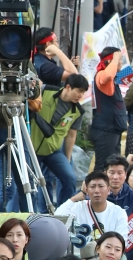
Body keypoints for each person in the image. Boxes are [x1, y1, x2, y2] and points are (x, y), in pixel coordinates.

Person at [31, 73, 87, 211]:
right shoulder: (46, 91)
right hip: (31, 149)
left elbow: (71, 136)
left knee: (69, 178)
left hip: (53, 151)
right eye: (78, 91)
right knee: (33, 183)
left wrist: (67, 160)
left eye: (83, 92)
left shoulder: (78, 111)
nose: (80, 96)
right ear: (68, 87)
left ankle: (63, 211)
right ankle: (34, 212)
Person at [55, 171, 130, 244]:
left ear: (108, 190)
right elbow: (57, 217)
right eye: (92, 187)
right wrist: (76, 197)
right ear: (87, 190)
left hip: (107, 255)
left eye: (101, 186)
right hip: (81, 255)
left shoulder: (118, 212)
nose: (97, 191)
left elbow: (122, 242)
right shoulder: (78, 207)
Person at [88, 47, 128, 169]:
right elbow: (108, 76)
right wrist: (115, 59)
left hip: (113, 129)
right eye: (119, 60)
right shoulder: (101, 75)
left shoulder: (115, 77)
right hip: (105, 130)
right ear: (110, 61)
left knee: (113, 167)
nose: (121, 62)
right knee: (102, 167)